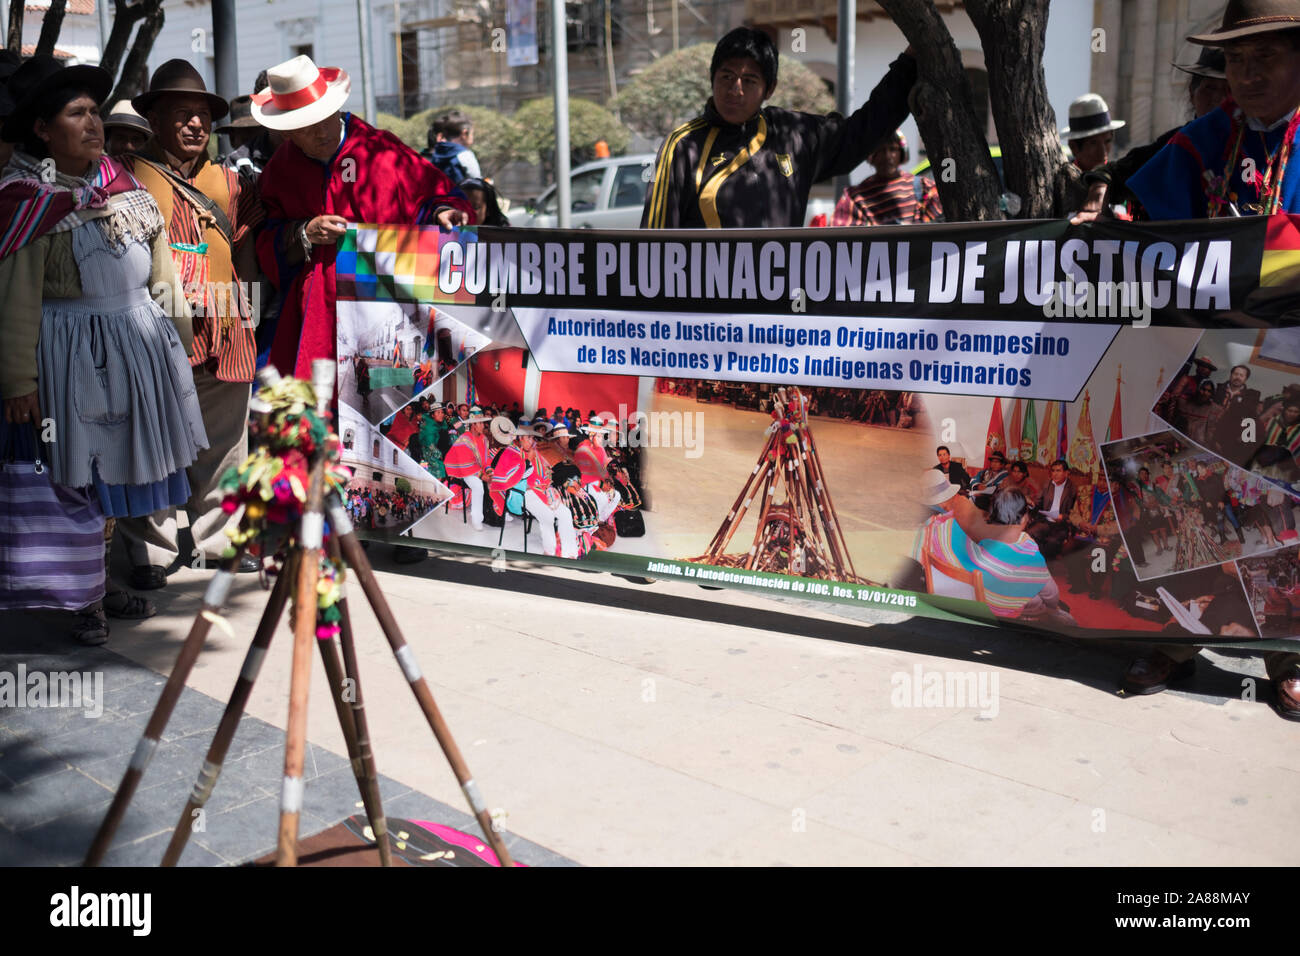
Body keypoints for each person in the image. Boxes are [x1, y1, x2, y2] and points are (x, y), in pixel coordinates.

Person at [0, 56, 207, 643]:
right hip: (70, 357)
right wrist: (18, 381)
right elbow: (15, 299)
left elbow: (161, 269)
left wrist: (177, 338)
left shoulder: (122, 183)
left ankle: (101, 584)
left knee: (114, 477)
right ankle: (81, 598)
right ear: (42, 130)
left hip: (136, 348)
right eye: (76, 114)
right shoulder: (26, 200)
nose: (93, 124)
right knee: (76, 476)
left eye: (95, 112)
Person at [114, 59, 264, 588]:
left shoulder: (230, 182)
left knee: (223, 444)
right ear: (153, 118)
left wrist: (246, 315)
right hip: (151, 330)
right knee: (147, 441)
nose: (195, 125)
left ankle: (216, 542)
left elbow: (245, 250)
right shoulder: (125, 176)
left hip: (225, 329)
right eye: (182, 114)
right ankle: (148, 552)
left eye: (202, 116)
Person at [253, 55, 473, 382]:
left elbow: (433, 196)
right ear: (288, 133)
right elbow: (265, 238)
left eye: (325, 116)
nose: (321, 130)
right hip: (317, 318)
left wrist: (443, 212)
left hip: (387, 307)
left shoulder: (381, 150)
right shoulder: (280, 171)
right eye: (306, 124)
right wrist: (303, 232)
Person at [641, 27, 916, 228]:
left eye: (749, 80)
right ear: (712, 79)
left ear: (769, 90)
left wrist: (910, 63)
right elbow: (651, 248)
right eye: (726, 76)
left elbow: (864, 129)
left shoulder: (794, 134)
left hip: (783, 305)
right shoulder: (682, 146)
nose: (735, 89)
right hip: (710, 307)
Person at [1129, 4, 1300, 220]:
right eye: (1235, 58)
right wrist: (1101, 180)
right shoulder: (1198, 143)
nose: (1247, 75)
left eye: (1265, 55)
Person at [1073, 49, 1228, 222]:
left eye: (1228, 89)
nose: (1219, 99)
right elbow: (1113, 173)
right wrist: (1097, 195)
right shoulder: (1175, 145)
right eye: (1210, 88)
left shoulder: (1256, 144)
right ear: (1192, 93)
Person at [830, 129, 942, 226]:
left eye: (893, 149)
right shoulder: (854, 197)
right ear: (870, 156)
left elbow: (939, 223)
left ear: (902, 153)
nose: (887, 156)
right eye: (880, 150)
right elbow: (843, 233)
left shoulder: (923, 187)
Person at [443, 405, 492, 531]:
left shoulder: (484, 439)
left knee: (497, 479)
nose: (483, 426)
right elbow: (466, 464)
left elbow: (486, 459)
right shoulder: (464, 439)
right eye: (481, 423)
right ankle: (477, 519)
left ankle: (499, 513)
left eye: (483, 423)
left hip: (477, 469)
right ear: (474, 425)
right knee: (478, 486)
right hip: (465, 470)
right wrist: (482, 476)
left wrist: (489, 471)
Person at [1026, 459, 1077, 559]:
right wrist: (1032, 504)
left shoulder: (1073, 489)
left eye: (1058, 471)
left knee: (1052, 542)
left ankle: (1043, 564)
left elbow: (1075, 512)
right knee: (1030, 534)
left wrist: (1063, 516)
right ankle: (1037, 562)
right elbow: (1038, 502)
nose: (1055, 474)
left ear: (1066, 473)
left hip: (1061, 525)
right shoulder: (1047, 484)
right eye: (1053, 471)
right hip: (1045, 521)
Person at [1061, 93, 1126, 173]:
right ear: (1073, 147)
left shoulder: (1119, 178)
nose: (1102, 153)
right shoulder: (1061, 181)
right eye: (1093, 143)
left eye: (1107, 141)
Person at [428, 110, 481, 184]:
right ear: (464, 134)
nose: (473, 138)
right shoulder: (465, 155)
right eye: (472, 134)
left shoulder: (435, 153)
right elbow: (477, 184)